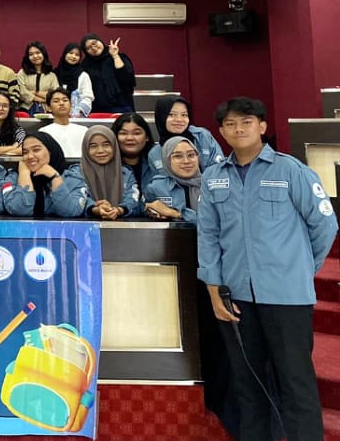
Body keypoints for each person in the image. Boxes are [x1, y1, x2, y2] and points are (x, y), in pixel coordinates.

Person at [198, 97, 337, 441]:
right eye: (230, 124)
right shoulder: (214, 178)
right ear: (221, 131)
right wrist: (213, 289)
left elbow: (324, 226)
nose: (238, 129)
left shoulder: (291, 171)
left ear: (262, 126)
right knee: (248, 384)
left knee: (295, 382)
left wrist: (300, 268)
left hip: (287, 297)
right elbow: (208, 235)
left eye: (246, 122)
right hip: (236, 297)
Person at [2, 131, 85, 218]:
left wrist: (54, 177)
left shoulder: (72, 177)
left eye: (36, 150)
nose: (30, 156)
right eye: (25, 152)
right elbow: (18, 210)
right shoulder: (12, 177)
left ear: (50, 151)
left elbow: (70, 212)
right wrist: (24, 174)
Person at [66, 125, 141, 219]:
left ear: (114, 146)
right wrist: (95, 208)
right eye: (93, 146)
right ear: (85, 149)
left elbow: (134, 201)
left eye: (106, 145)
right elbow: (75, 200)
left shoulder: (125, 173)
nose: (100, 151)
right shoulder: (76, 173)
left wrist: (118, 210)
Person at [146, 96, 224, 179]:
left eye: (184, 115)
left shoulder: (201, 136)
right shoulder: (154, 154)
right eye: (172, 114)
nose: (179, 119)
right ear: (161, 116)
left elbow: (220, 169)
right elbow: (158, 183)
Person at [144, 135, 201, 223]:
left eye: (191, 155)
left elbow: (214, 222)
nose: (186, 161)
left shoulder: (210, 186)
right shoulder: (156, 187)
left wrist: (176, 214)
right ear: (167, 160)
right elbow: (143, 210)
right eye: (178, 156)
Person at [80, 34, 135, 113]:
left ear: (100, 41)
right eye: (88, 48)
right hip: (97, 109)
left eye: (94, 43)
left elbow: (127, 78)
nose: (93, 48)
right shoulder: (85, 64)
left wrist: (115, 56)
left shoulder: (119, 57)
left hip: (122, 106)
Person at [111, 112, 156, 193]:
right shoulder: (107, 165)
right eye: (123, 133)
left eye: (136, 133)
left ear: (147, 137)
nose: (130, 138)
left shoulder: (157, 162)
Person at [38, 88, 88, 158]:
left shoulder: (84, 130)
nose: (61, 103)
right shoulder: (44, 132)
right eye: (56, 101)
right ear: (49, 107)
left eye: (65, 100)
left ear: (71, 105)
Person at [16, 41, 60, 115]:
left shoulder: (51, 75)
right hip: (26, 110)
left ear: (43, 54)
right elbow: (22, 92)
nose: (35, 56)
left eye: (38, 53)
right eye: (31, 54)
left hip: (47, 111)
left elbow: (55, 94)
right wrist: (42, 100)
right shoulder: (22, 73)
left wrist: (34, 92)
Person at [53, 43, 94, 117]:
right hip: (56, 115)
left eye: (77, 55)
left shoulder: (83, 75)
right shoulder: (54, 74)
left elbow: (87, 97)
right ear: (65, 54)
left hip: (77, 116)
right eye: (71, 53)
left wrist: (78, 112)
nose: (73, 56)